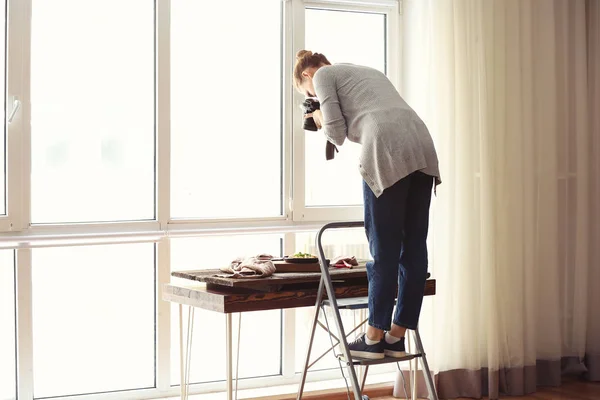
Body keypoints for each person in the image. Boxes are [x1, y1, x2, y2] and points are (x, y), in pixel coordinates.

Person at [293, 50, 441, 360]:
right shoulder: (365, 70)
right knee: (414, 247)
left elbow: (335, 133)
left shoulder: (321, 76)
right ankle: (397, 337)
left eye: (308, 95)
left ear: (307, 76)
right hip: (422, 146)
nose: (313, 96)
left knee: (383, 250)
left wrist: (317, 116)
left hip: (387, 147)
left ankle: (373, 337)